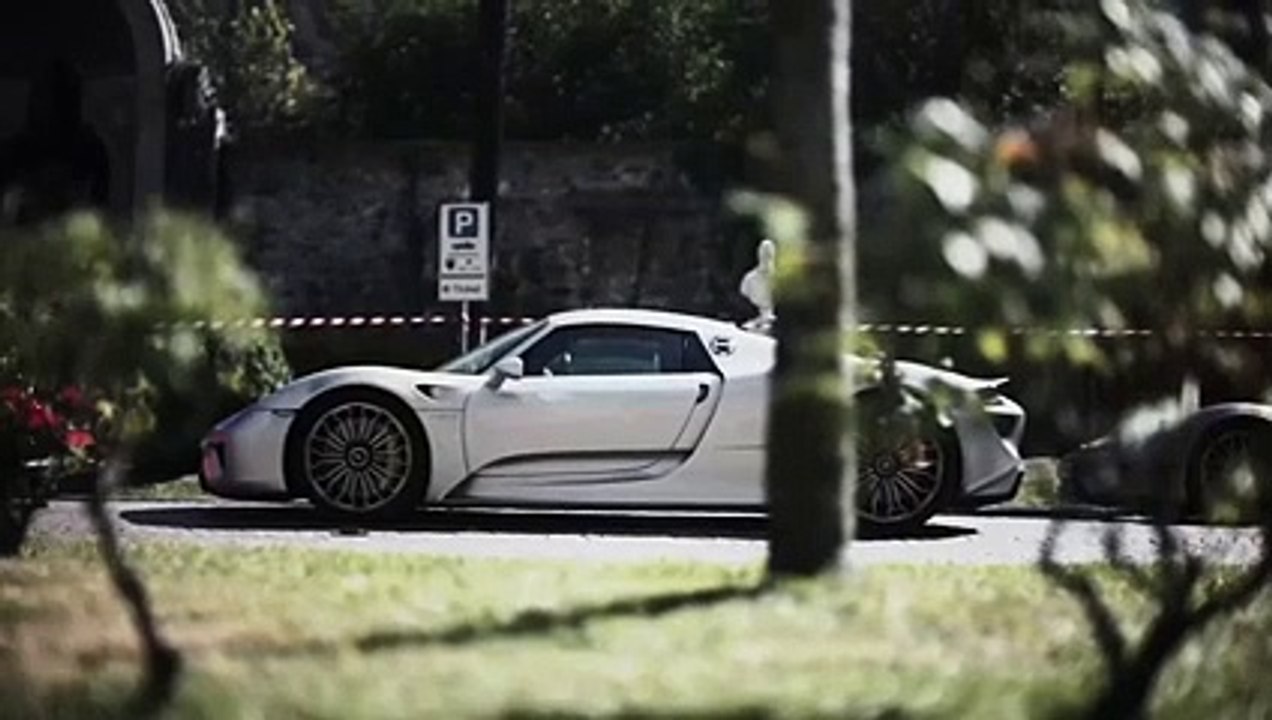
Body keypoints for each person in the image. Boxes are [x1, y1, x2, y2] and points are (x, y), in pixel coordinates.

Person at [0, 60, 110, 225]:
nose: (49, 106)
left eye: (60, 96)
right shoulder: (16, 150)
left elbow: (96, 208)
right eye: (43, 96)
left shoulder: (90, 150)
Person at [740, 238, 777, 330]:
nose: (766, 255)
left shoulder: (781, 279)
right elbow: (744, 292)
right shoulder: (749, 279)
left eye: (769, 252)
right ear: (758, 254)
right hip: (755, 322)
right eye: (763, 252)